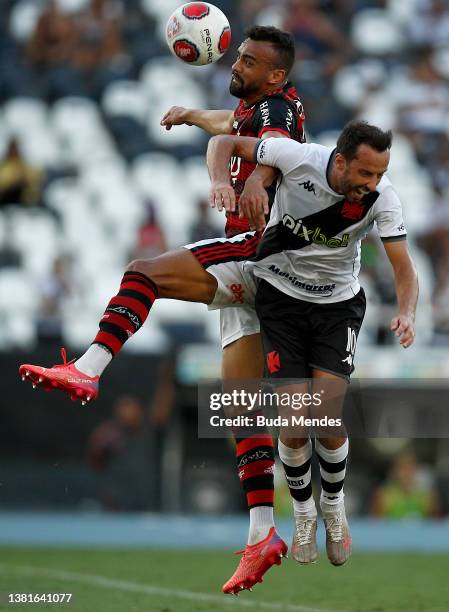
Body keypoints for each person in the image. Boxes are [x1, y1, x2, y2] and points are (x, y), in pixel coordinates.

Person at [19, 120, 418, 592]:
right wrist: (221, 178)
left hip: (336, 308)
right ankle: (304, 511)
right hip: (283, 302)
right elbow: (225, 139)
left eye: (379, 175)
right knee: (292, 424)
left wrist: (408, 313)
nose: (371, 184)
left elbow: (403, 266)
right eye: (366, 173)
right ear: (340, 159)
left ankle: (333, 506)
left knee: (325, 417)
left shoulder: (382, 198)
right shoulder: (298, 158)